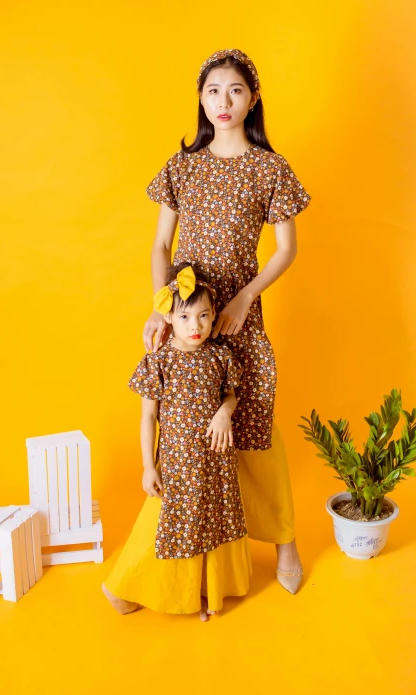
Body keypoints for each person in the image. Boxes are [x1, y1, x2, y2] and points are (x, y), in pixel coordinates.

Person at [143, 48, 312, 594]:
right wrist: (161, 309)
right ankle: (172, 571)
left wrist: (244, 298)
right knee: (186, 439)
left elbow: (285, 250)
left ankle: (285, 540)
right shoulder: (183, 165)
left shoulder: (271, 169)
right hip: (186, 326)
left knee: (255, 431)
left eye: (236, 90)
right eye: (213, 90)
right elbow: (161, 244)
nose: (223, 101)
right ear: (200, 97)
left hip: (240, 323)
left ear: (253, 99)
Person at [102, 262, 252, 620]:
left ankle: (202, 590)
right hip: (178, 461)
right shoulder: (159, 361)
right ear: (168, 318)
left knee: (208, 522)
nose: (195, 326)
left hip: (215, 461)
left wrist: (224, 412)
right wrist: (147, 465)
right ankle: (124, 588)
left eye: (203, 316)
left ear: (215, 315)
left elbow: (230, 396)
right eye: (185, 317)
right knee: (168, 524)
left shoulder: (220, 356)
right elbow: (148, 417)